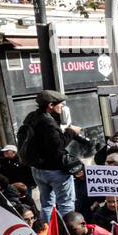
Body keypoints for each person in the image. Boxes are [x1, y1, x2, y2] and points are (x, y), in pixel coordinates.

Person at [19, 89, 84, 224]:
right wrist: (71, 132)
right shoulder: (47, 123)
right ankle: (69, 232)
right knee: (65, 203)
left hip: (38, 170)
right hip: (55, 171)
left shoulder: (32, 117)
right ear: (50, 105)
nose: (62, 107)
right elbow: (58, 145)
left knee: (47, 204)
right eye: (60, 104)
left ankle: (48, 231)